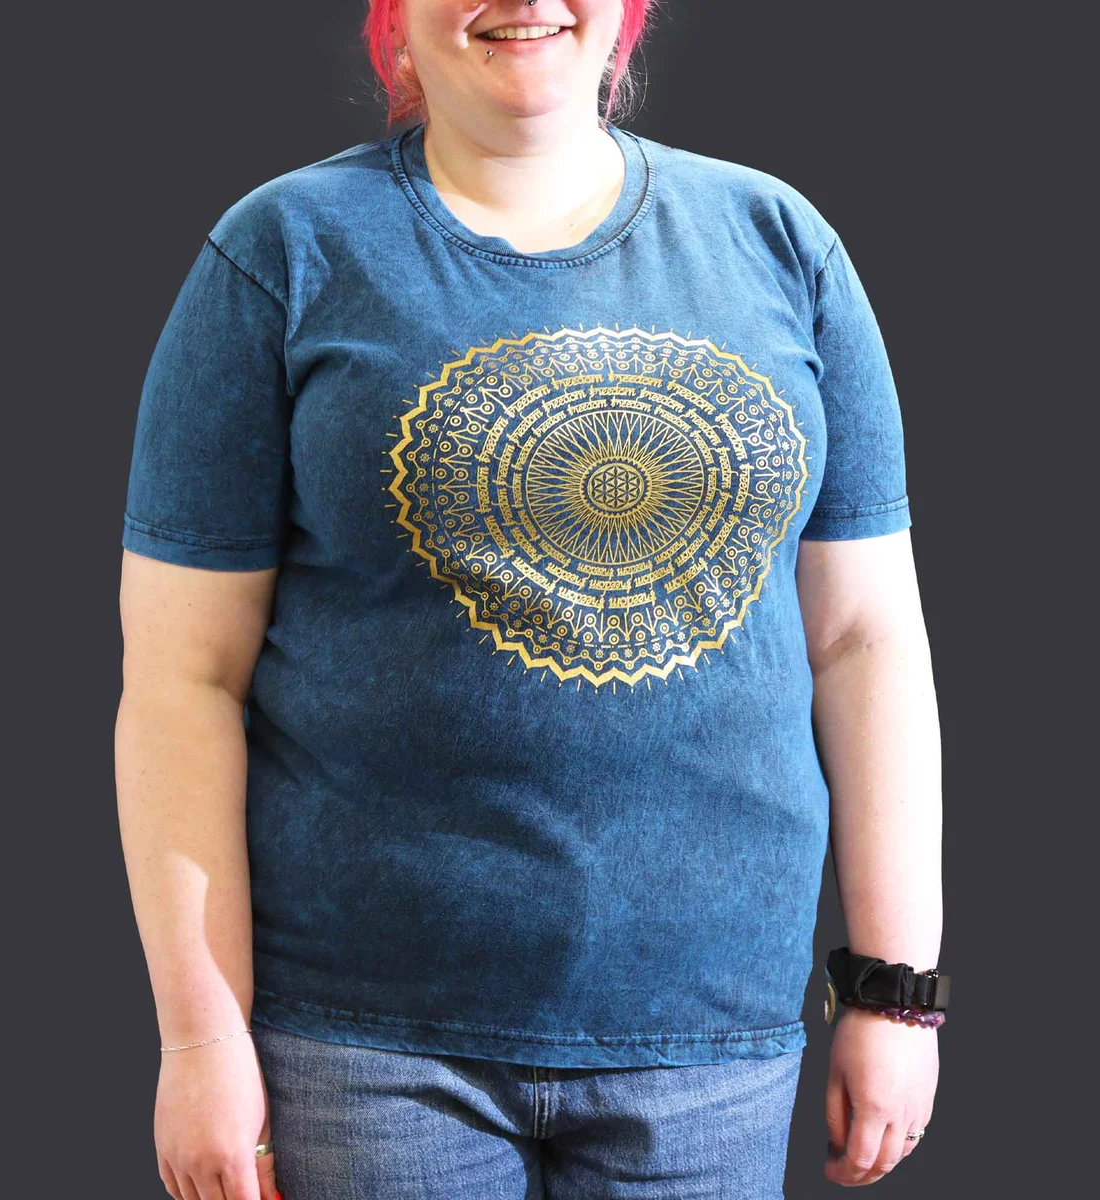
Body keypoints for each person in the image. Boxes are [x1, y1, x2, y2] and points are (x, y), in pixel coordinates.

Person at [114, 1, 945, 1197]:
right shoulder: (282, 254)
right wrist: (199, 1038)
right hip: (366, 1048)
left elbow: (869, 644)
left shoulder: (781, 243)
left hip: (710, 1045)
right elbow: (181, 682)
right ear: (394, 14)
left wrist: (896, 991)